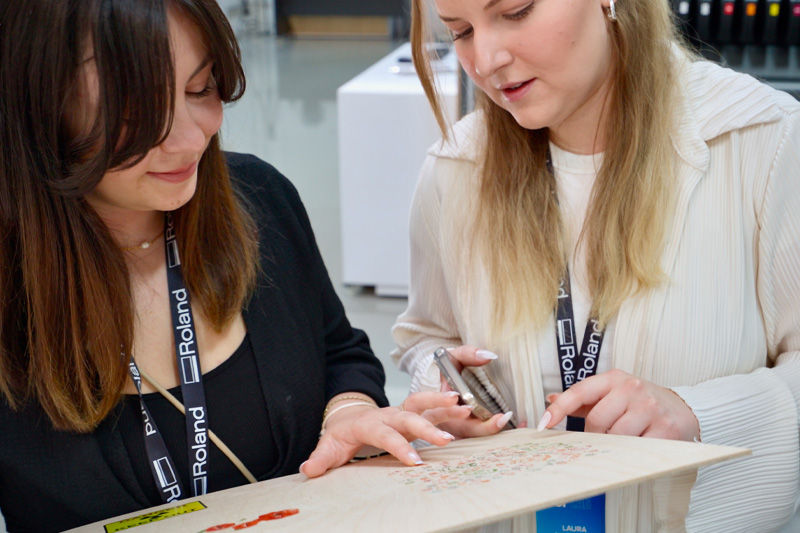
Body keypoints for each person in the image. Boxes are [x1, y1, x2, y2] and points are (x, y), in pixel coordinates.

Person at [0, 1, 472, 531]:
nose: (188, 139)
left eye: (200, 90)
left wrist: (348, 412)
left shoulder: (259, 199)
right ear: (39, 104)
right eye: (135, 111)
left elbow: (339, 351)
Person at [392, 0, 800, 530]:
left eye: (515, 12)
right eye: (461, 31)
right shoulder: (456, 169)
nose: (487, 59)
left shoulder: (761, 140)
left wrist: (695, 413)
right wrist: (448, 392)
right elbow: (425, 337)